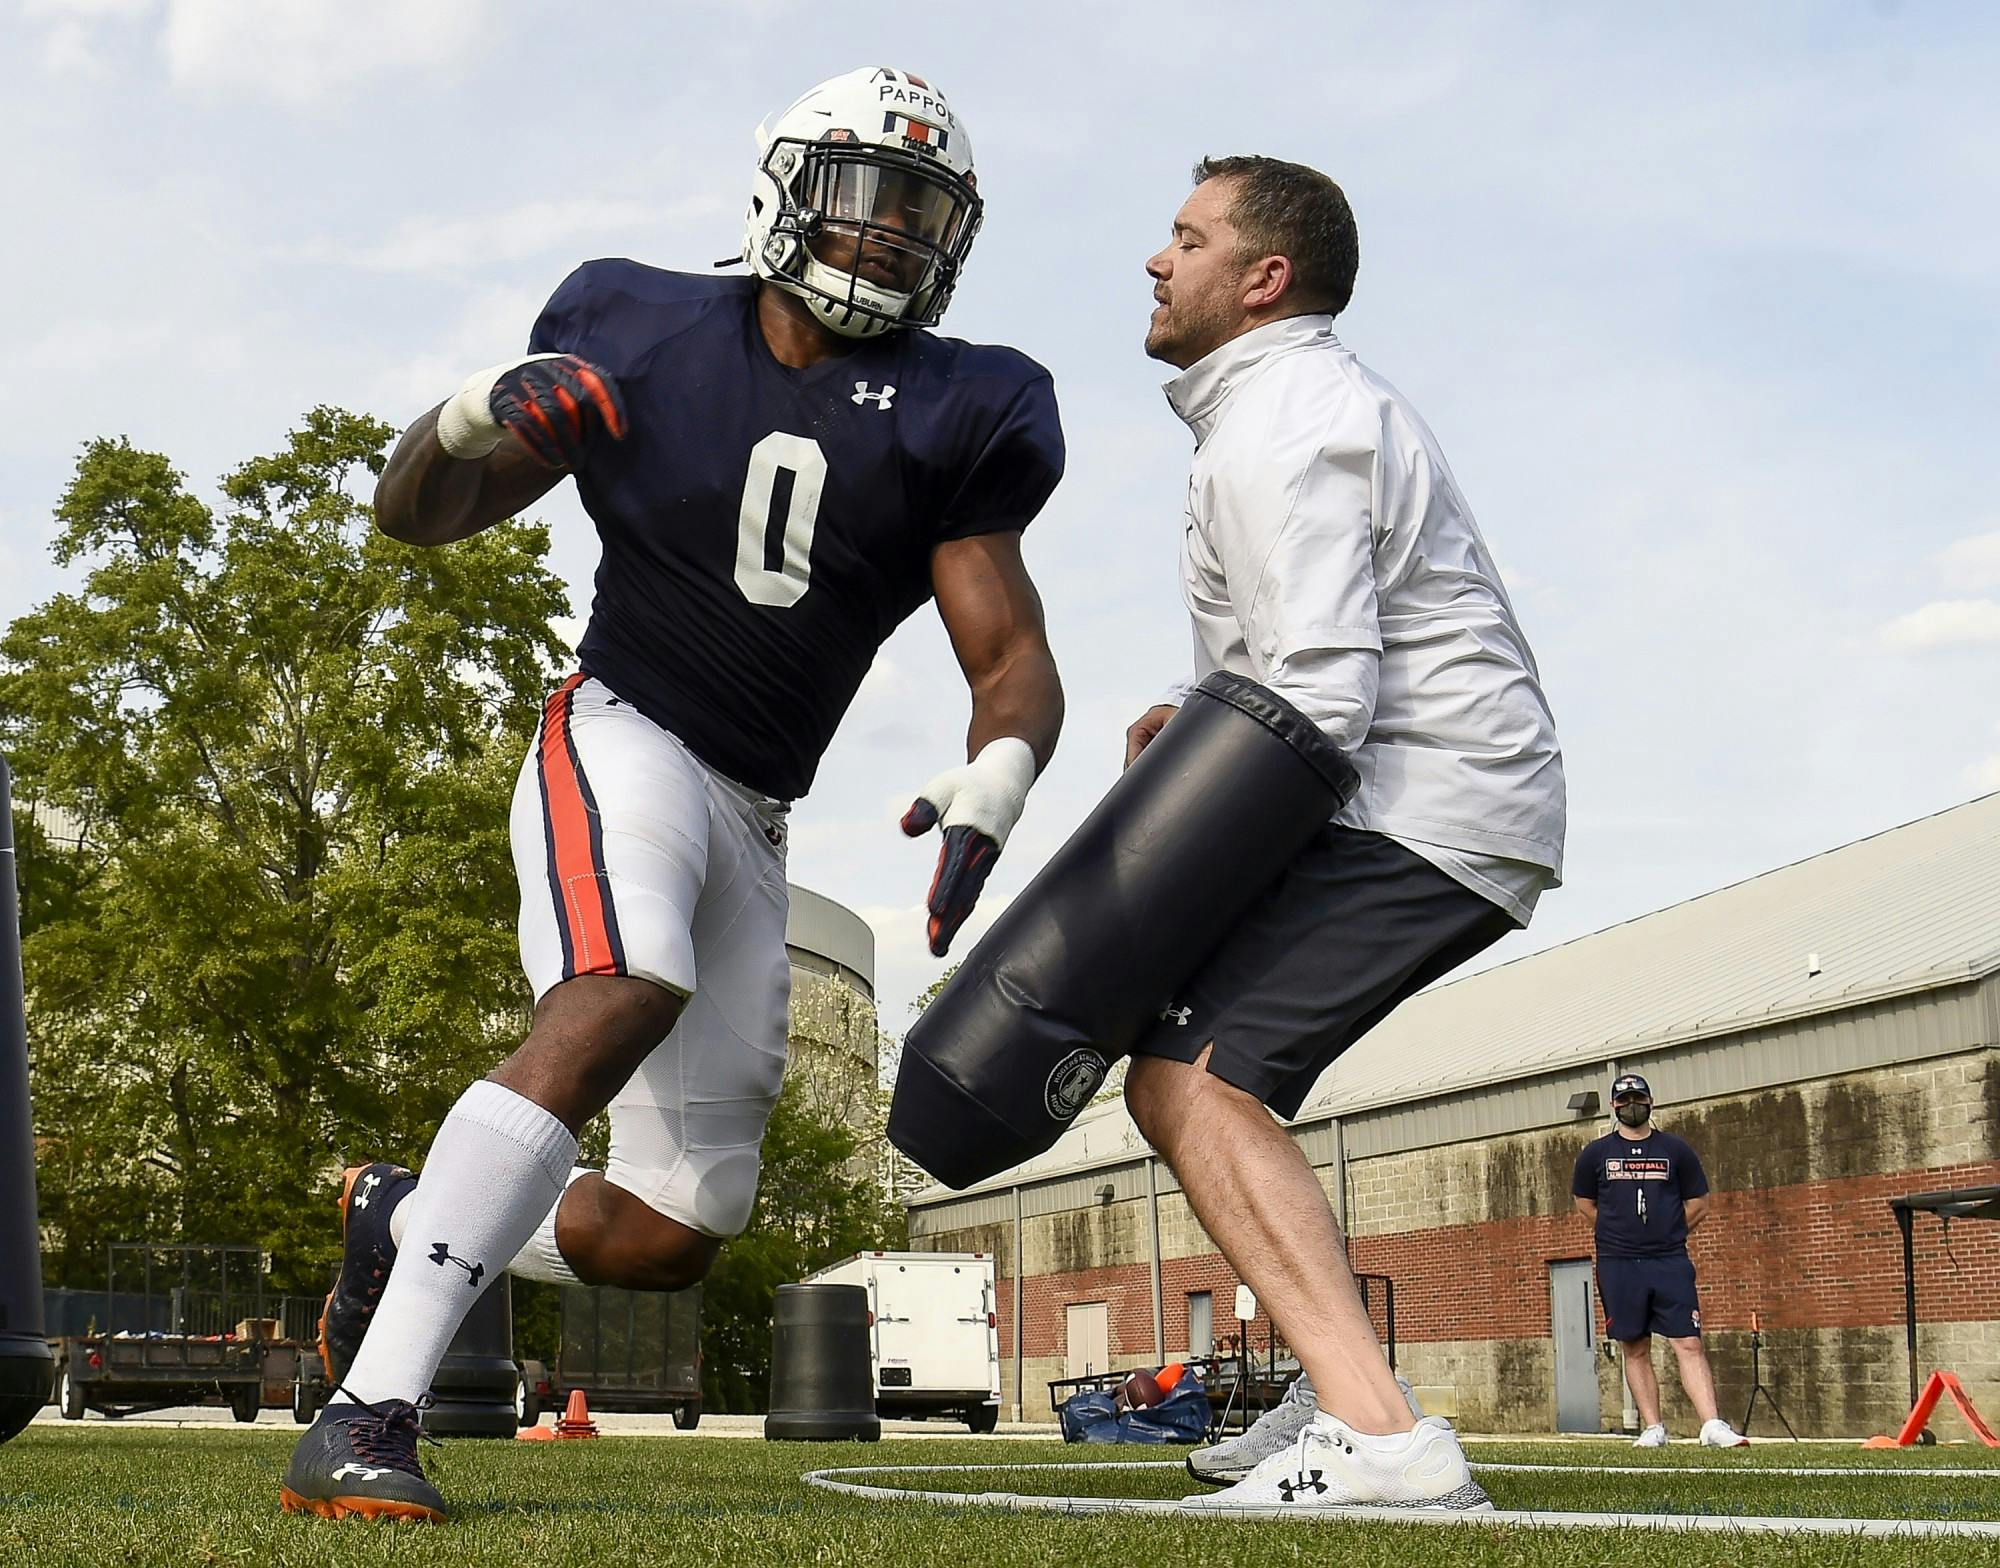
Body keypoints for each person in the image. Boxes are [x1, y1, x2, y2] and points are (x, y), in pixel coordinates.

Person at [280, 67, 1065, 1522]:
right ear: (783, 187)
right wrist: (466, 414)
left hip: (759, 813)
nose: (888, 235)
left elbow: (1012, 659)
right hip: (624, 729)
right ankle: (365, 1414)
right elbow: (415, 520)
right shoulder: (634, 328)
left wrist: (998, 777)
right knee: (620, 983)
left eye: (920, 214)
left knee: (673, 1230)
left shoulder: (968, 406)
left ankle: (404, 1211)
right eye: (864, 197)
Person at [1124, 157, 1566, 1513]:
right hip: (1418, 795)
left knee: (1190, 1082)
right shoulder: (1270, 412)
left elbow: (1319, 689)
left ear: (1263, 279)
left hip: (1424, 805)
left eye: (1187, 239)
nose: (1157, 261)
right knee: (1198, 1077)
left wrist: (1177, 840)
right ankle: (1338, 1386)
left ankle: (1382, 1443)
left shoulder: (1285, 419)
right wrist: (1191, 725)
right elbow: (1286, 669)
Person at [1573, 1073, 1746, 1448]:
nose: (1632, 1105)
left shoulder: (1676, 1150)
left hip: (1669, 1260)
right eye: (1624, 1100)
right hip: (1619, 1262)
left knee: (1688, 1341)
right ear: (1614, 1106)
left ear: (1650, 1102)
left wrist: (1669, 1231)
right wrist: (1617, 1231)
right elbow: (1585, 1203)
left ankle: (1712, 1425)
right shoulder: (1595, 1154)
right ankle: (1653, 1428)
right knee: (1634, 1345)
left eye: (1638, 1098)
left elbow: (1699, 1202)